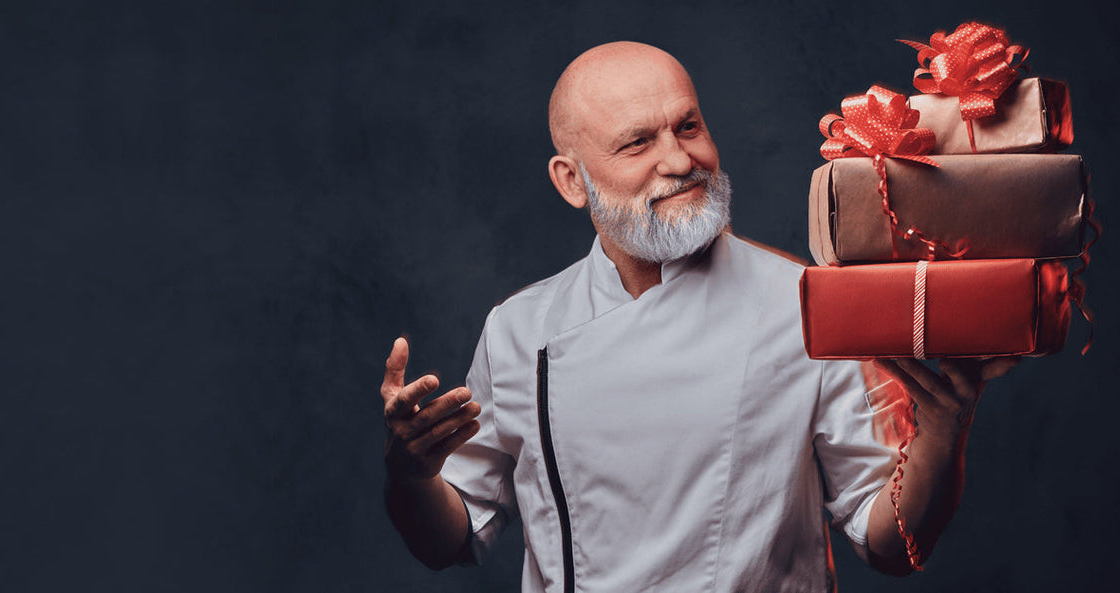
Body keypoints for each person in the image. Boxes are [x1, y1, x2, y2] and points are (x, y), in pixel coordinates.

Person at [378, 41, 1019, 591]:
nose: (681, 161)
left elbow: (891, 544)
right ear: (572, 181)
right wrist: (410, 476)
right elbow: (449, 538)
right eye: (637, 142)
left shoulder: (810, 304)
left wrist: (943, 434)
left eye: (688, 127)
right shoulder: (519, 330)